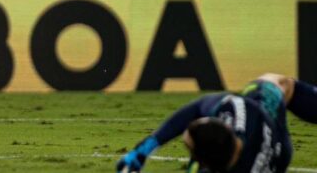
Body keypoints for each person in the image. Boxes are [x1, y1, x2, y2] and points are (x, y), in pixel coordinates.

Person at [116, 73, 317, 172]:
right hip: (268, 126)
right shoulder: (238, 108)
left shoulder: (234, 114)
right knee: (275, 82)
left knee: (273, 83)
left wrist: (145, 148)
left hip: (272, 147)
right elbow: (197, 110)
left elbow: (194, 111)